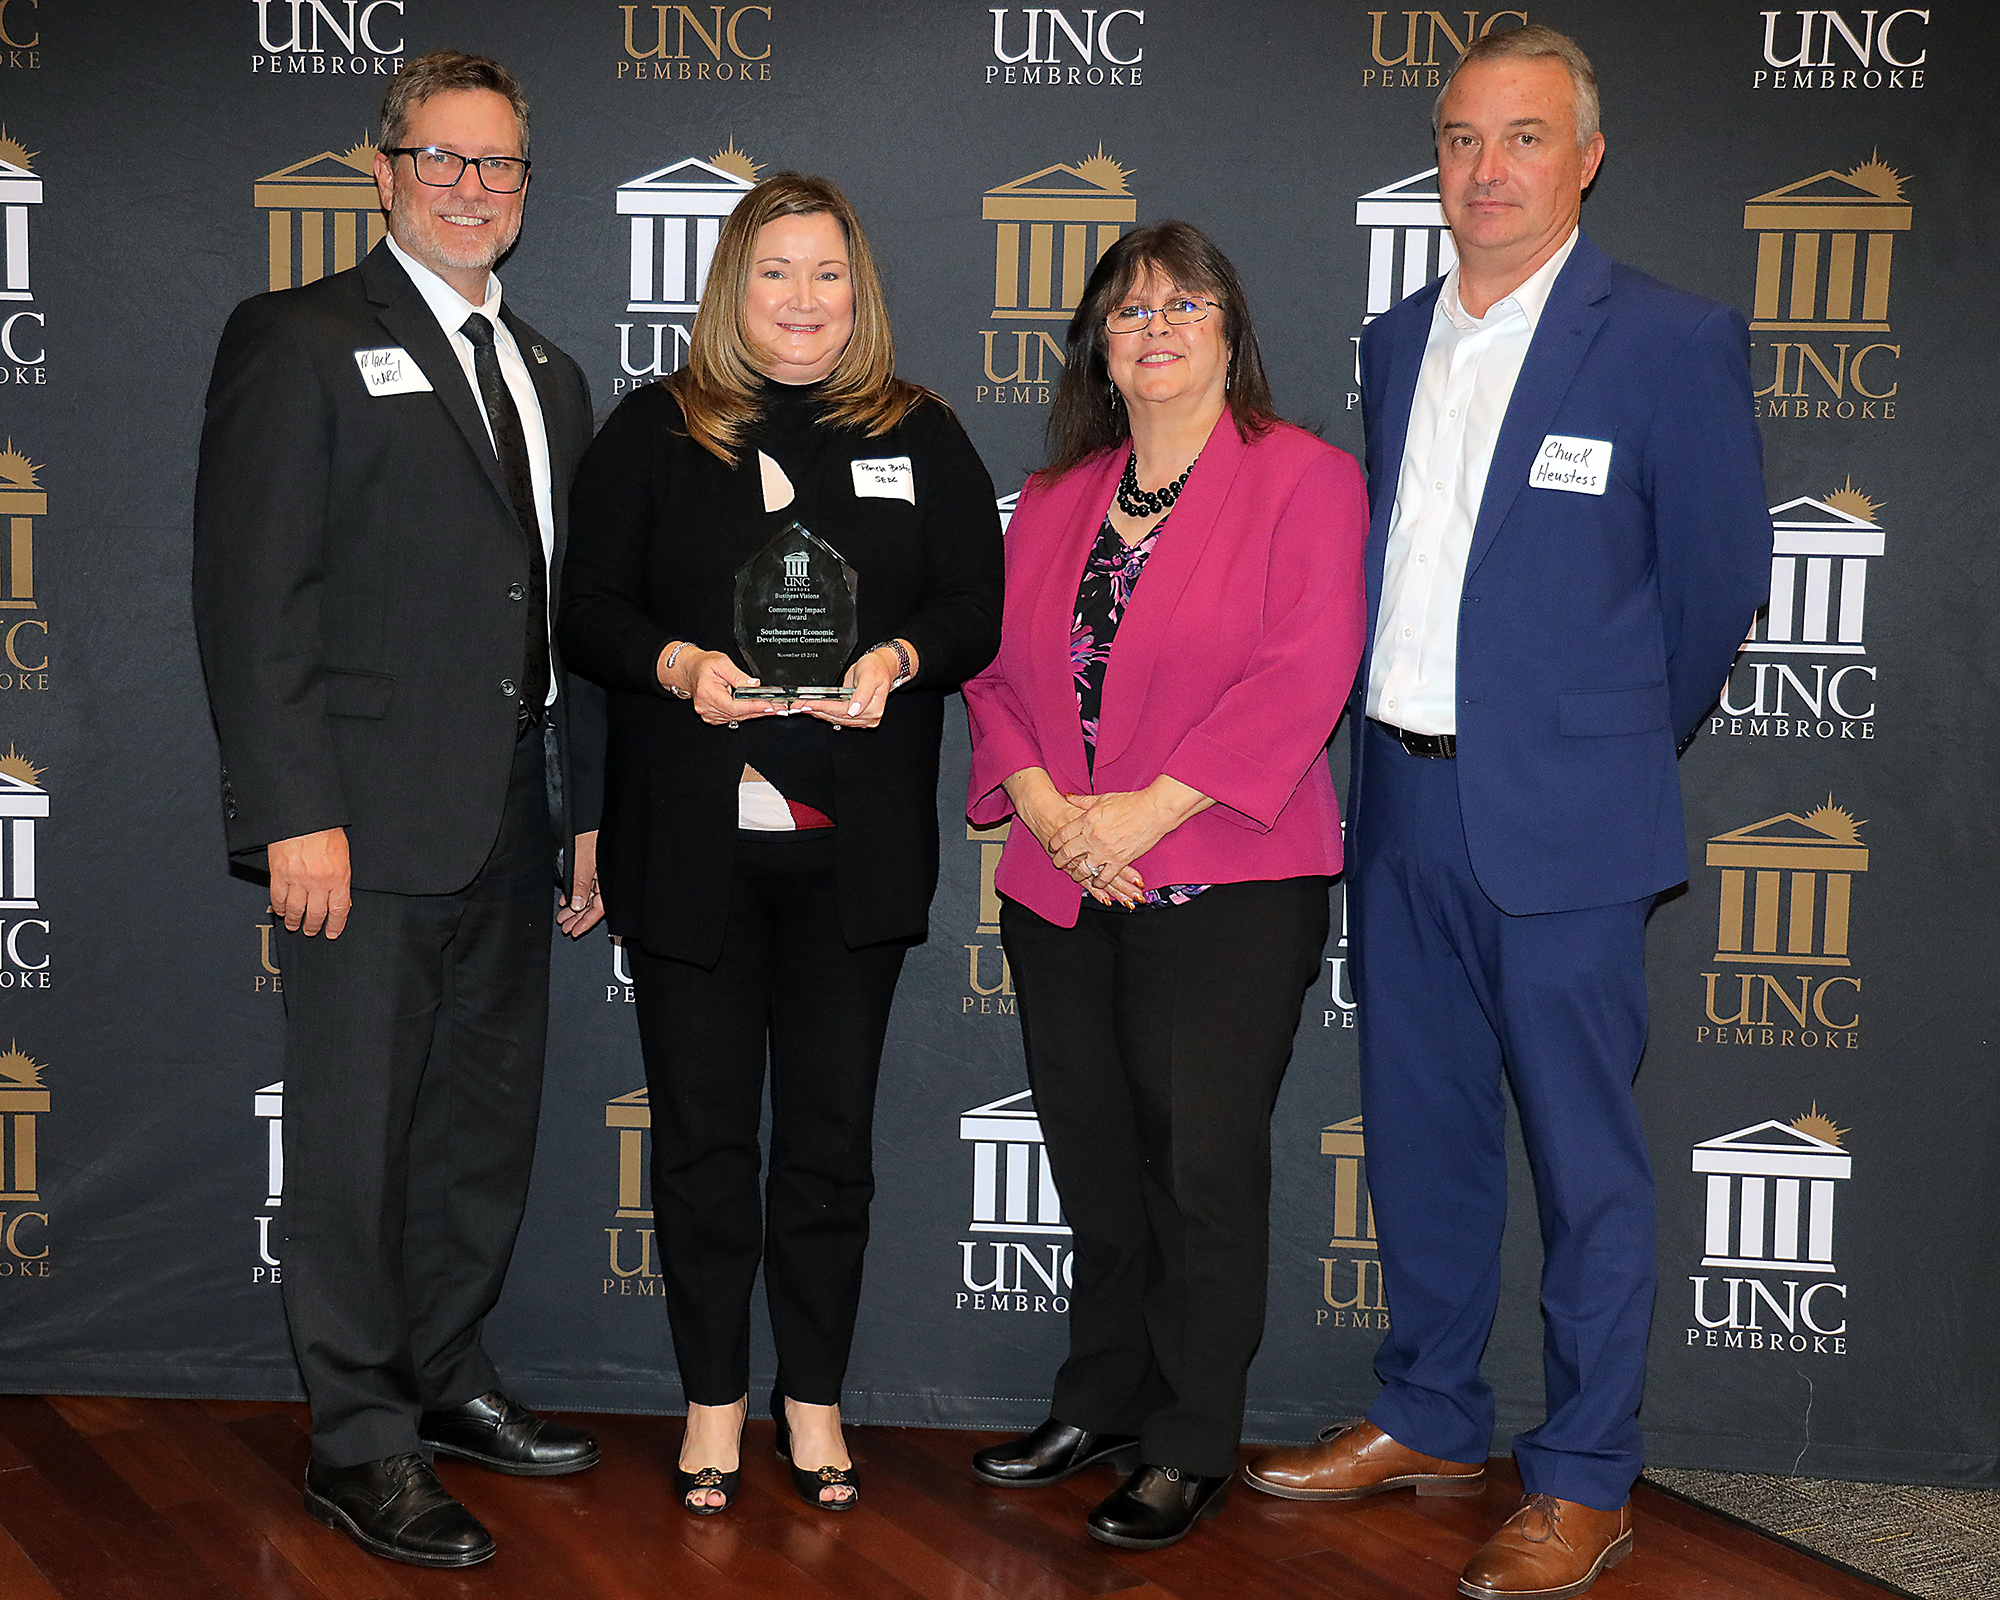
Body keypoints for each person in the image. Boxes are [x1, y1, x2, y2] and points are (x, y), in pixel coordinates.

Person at [1241, 26, 1771, 1599]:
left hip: (1570, 828)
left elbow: (1715, 597)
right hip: (1398, 804)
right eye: (1463, 139)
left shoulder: (1669, 339)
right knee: (1422, 1140)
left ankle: (1588, 1476)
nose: (1486, 170)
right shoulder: (1397, 340)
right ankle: (1428, 1411)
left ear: (1584, 159)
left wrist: (1595, 751)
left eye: (1524, 139)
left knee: (1588, 1165)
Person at [192, 52, 606, 1569]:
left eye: (499, 165)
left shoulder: (552, 373)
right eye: (443, 158)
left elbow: (562, 618)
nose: (472, 186)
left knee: (478, 1128)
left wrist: (585, 809)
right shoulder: (297, 339)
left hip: (515, 811)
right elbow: (252, 602)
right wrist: (292, 809)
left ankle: (444, 1375)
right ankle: (357, 1440)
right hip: (358, 827)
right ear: (383, 172)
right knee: (361, 1138)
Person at [558, 172, 1003, 1517]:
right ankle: (710, 1404)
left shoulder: (920, 433)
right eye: (774, 273)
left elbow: (975, 606)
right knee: (698, 1144)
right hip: (691, 851)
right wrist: (680, 661)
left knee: (826, 1144)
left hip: (849, 860)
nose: (802, 301)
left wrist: (905, 655)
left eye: (826, 275)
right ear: (731, 288)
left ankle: (812, 1400)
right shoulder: (652, 431)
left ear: (857, 291)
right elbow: (586, 613)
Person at [961, 221, 1368, 1551]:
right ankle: (1105, 1398)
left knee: (1199, 1172)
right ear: (1098, 346)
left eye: (1183, 305)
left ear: (1231, 332)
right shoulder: (1060, 495)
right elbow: (995, 671)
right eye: (1128, 311)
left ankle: (1189, 1439)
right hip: (1061, 880)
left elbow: (1304, 671)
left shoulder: (1304, 481)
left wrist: (1144, 810)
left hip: (1226, 884)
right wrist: (1039, 804)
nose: (1155, 328)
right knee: (1094, 1160)